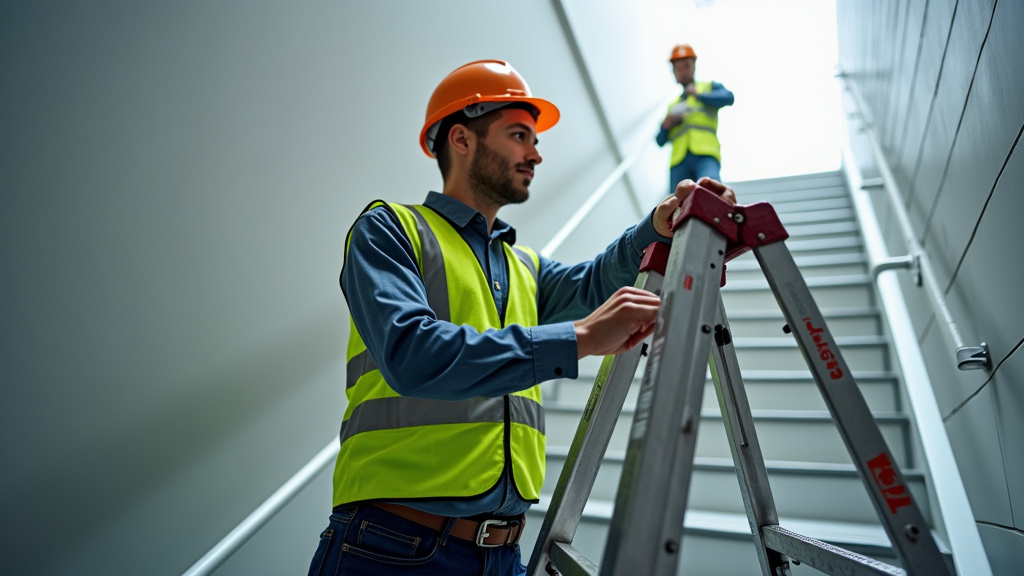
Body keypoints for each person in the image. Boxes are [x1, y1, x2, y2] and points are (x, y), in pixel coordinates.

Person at [308, 59, 736, 576]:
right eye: (519, 136)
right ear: (461, 139)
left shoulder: (522, 265)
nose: (536, 154)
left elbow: (593, 281)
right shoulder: (389, 231)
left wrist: (656, 228)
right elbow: (411, 354)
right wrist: (579, 337)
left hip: (504, 554)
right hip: (391, 548)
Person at [656, 43, 735, 195]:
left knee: (711, 192)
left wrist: (698, 95)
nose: (683, 71)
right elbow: (660, 140)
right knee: (677, 205)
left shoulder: (708, 87)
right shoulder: (673, 106)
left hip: (705, 154)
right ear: (674, 73)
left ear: (694, 67)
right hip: (679, 162)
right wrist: (666, 125)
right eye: (678, 68)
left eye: (686, 66)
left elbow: (728, 97)